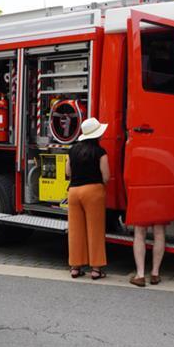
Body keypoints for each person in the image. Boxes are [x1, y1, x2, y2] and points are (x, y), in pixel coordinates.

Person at [65, 117, 110, 280]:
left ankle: (75, 268)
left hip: (74, 192)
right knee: (95, 230)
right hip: (93, 192)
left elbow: (68, 172)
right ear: (97, 135)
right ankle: (96, 270)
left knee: (75, 231)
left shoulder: (72, 150)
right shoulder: (100, 152)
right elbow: (106, 176)